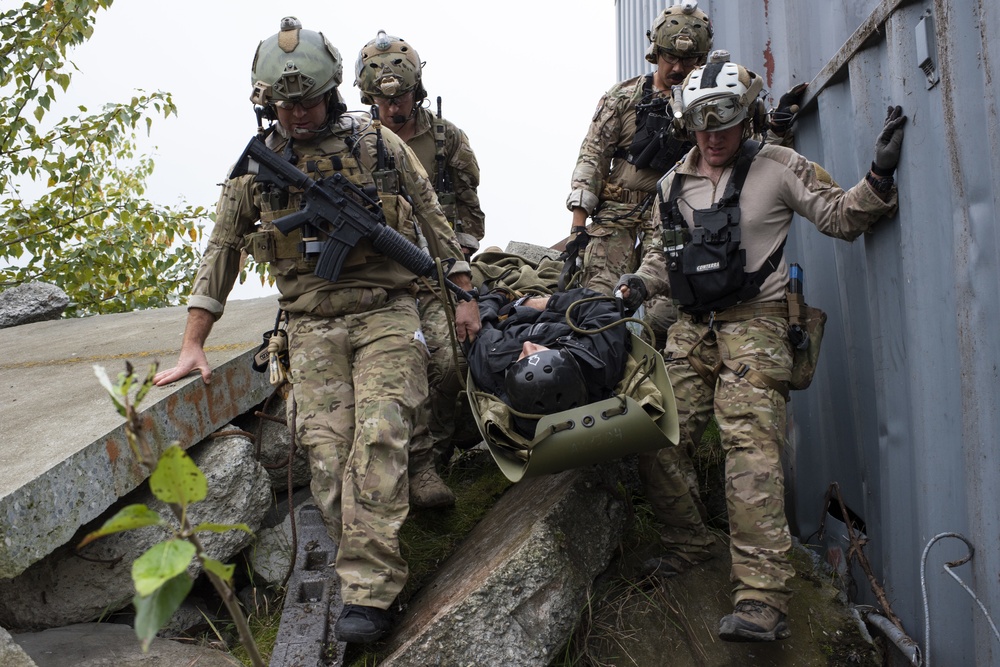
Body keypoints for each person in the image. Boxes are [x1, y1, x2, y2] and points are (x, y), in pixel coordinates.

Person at [152, 17, 479, 645]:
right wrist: (193, 342)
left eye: (306, 101)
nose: (297, 113)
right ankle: (369, 567)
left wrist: (463, 295)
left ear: (331, 92)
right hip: (309, 324)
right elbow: (219, 251)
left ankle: (371, 594)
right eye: (284, 103)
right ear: (265, 102)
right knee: (328, 459)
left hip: (387, 313)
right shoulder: (256, 169)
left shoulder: (380, 145)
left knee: (381, 437)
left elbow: (437, 221)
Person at [616, 51, 906, 642]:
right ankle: (690, 544)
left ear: (744, 116)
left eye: (724, 120)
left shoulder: (778, 166)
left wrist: (877, 180)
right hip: (695, 327)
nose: (713, 134)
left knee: (749, 446)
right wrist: (634, 285)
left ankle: (761, 598)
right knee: (652, 431)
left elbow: (839, 216)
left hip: (760, 322)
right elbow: (660, 263)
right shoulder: (672, 183)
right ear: (688, 121)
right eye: (702, 121)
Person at [355, 31, 487, 509]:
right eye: (381, 100)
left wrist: (461, 278)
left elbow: (470, 216)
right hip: (380, 283)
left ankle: (441, 451)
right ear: (367, 98)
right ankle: (415, 468)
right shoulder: (354, 145)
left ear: (418, 91)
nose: (393, 108)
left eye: (402, 98)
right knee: (408, 364)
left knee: (452, 359)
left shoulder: (448, 140)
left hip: (438, 276)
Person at [565, 1, 712, 301]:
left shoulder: (709, 104)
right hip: (617, 216)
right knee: (598, 302)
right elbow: (592, 158)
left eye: (689, 60)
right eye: (670, 56)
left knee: (665, 311)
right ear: (656, 51)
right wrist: (578, 228)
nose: (678, 68)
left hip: (674, 217)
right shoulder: (622, 97)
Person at [466, 287, 632, 437]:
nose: (527, 345)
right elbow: (598, 305)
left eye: (522, 360)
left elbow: (478, 326)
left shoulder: (493, 370)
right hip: (553, 310)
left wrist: (498, 297)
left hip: (507, 315)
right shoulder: (598, 362)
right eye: (539, 351)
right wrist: (542, 302)